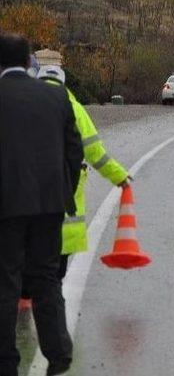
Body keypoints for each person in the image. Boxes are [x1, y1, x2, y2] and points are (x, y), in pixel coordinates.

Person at [0, 34, 83, 376]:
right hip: (49, 205)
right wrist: (64, 195)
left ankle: (6, 361)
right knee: (46, 278)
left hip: (6, 207)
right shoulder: (57, 96)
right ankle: (59, 353)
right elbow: (74, 151)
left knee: (6, 281)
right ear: (29, 61)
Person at [34, 65, 130, 282]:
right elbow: (96, 153)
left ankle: (23, 306)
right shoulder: (75, 109)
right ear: (63, 84)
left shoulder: (24, 107)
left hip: (27, 208)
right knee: (53, 278)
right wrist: (120, 177)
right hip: (64, 213)